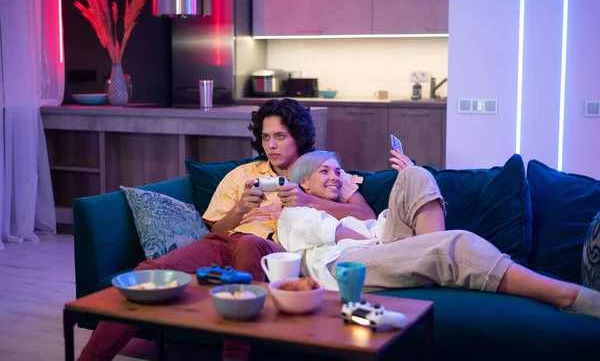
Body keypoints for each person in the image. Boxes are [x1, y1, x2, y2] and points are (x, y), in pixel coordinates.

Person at [77, 99, 375, 361]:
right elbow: (213, 229)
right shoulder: (243, 175)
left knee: (248, 246)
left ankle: (234, 356)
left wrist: (309, 199)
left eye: (280, 136)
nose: (271, 145)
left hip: (272, 251)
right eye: (266, 137)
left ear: (298, 138)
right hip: (224, 242)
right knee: (145, 272)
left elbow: (365, 214)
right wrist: (240, 210)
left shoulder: (323, 171)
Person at [277, 150, 600, 319]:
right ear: (303, 181)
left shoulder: (351, 207)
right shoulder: (295, 212)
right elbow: (351, 235)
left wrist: (401, 186)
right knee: (453, 246)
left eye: (338, 172)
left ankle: (434, 259)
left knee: (415, 175)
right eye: (325, 171)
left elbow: (376, 226)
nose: (335, 177)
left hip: (381, 246)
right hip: (347, 266)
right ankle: (569, 296)